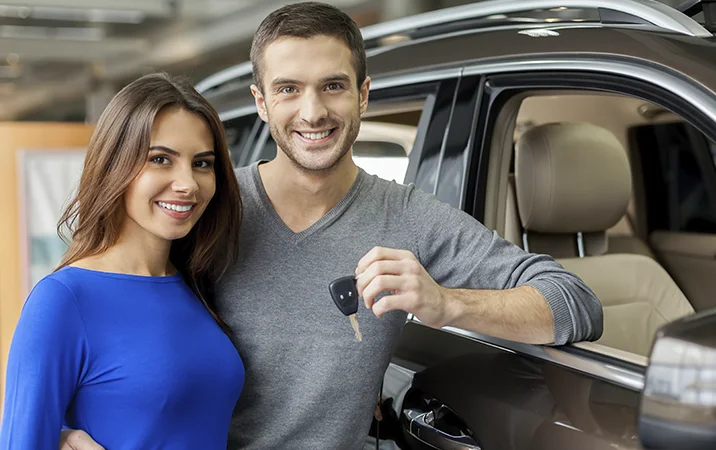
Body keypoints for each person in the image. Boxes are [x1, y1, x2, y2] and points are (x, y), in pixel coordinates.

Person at [60, 3, 603, 450]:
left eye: (333, 86)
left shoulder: (407, 216)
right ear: (262, 102)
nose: (313, 112)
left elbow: (576, 303)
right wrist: (61, 433)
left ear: (363, 94)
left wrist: (447, 303)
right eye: (289, 89)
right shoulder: (209, 204)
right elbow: (97, 319)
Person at [0, 73, 245, 449]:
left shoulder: (199, 285)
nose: (188, 183)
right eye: (160, 159)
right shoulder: (64, 300)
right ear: (115, 164)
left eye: (202, 163)